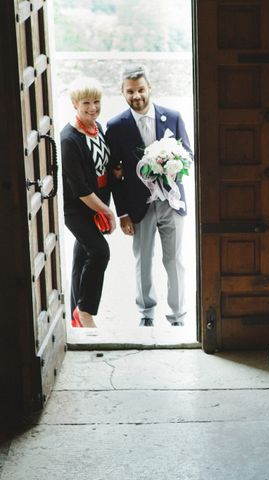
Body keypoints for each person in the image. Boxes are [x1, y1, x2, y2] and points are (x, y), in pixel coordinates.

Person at [106, 65, 193, 327]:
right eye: (130, 91)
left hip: (171, 202)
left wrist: (172, 162)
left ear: (149, 88)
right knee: (143, 259)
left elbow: (189, 154)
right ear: (122, 92)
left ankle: (178, 315)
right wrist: (122, 213)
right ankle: (146, 313)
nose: (137, 96)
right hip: (138, 205)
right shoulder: (116, 125)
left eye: (141, 90)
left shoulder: (173, 117)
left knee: (174, 259)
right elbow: (113, 173)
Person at [60, 77, 117, 328]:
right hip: (79, 209)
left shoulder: (98, 127)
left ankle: (75, 315)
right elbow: (80, 189)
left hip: (97, 203)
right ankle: (85, 312)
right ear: (74, 104)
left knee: (81, 258)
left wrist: (114, 171)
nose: (93, 107)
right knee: (99, 252)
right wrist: (108, 211)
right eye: (86, 103)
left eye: (97, 101)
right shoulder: (68, 138)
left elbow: (102, 164)